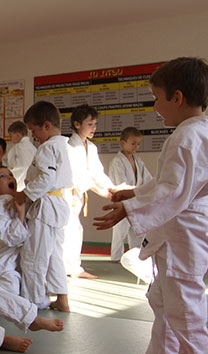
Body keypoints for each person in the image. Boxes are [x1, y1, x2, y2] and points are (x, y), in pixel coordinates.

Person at [94, 57, 208, 354]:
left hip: (184, 231)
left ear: (176, 97)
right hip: (188, 225)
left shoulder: (186, 138)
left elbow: (172, 191)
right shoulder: (198, 132)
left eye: (157, 98)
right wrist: (135, 193)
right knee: (161, 296)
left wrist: (128, 208)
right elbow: (170, 184)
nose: (155, 107)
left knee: (184, 307)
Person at [16, 101, 72, 312]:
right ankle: (62, 298)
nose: (33, 136)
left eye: (34, 130)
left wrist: (24, 195)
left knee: (33, 257)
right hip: (57, 205)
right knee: (54, 255)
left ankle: (34, 302)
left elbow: (47, 178)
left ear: (46, 125)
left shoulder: (48, 147)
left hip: (45, 207)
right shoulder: (61, 145)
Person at [64, 104, 113, 279]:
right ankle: (71, 269)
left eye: (95, 124)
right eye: (90, 124)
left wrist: (110, 188)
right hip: (66, 195)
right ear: (77, 124)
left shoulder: (91, 147)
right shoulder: (69, 146)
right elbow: (77, 175)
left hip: (78, 195)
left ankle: (72, 268)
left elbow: (96, 172)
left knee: (74, 230)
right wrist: (98, 190)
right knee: (70, 231)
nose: (94, 128)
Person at [107, 127, 153, 261]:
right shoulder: (117, 162)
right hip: (122, 201)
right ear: (123, 143)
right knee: (120, 232)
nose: (136, 147)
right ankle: (116, 258)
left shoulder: (138, 161)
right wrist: (138, 190)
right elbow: (121, 186)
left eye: (138, 143)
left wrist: (144, 192)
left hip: (136, 201)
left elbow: (148, 181)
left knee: (138, 232)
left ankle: (136, 258)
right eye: (133, 143)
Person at [0, 166, 29, 294]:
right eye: (2, 176)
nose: (10, 177)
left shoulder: (19, 201)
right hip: (6, 266)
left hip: (23, 261)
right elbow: (9, 238)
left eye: (10, 174)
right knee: (10, 295)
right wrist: (20, 215)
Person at [2, 121, 36, 192]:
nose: (11, 139)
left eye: (11, 136)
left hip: (19, 184)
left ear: (18, 135)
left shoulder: (19, 147)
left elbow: (20, 167)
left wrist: (10, 181)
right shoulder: (33, 148)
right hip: (31, 184)